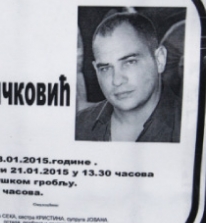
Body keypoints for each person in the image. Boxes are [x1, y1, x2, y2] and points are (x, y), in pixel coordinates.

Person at [75, 11, 181, 142]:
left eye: (129, 62)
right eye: (105, 68)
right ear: (96, 71)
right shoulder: (77, 127)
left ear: (160, 60)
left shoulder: (190, 128)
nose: (117, 80)